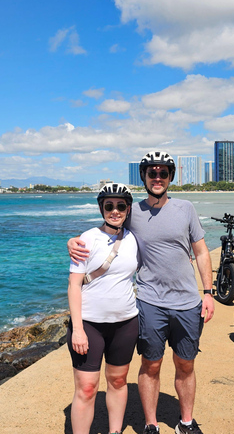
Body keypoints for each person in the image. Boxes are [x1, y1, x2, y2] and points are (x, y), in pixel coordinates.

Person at [69, 151, 215, 434]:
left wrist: (208, 292)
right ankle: (150, 424)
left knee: (186, 364)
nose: (157, 178)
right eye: (152, 173)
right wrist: (72, 242)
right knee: (151, 364)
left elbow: (201, 252)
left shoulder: (186, 209)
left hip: (187, 302)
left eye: (163, 173)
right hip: (149, 302)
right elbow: (108, 227)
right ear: (144, 177)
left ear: (170, 177)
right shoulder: (132, 211)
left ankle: (186, 422)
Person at [67, 183, 140, 434]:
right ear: (101, 208)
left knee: (118, 381)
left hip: (126, 323)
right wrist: (77, 329)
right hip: (89, 324)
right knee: (87, 388)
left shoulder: (133, 238)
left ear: (128, 209)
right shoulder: (87, 238)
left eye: (121, 206)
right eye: (109, 206)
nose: (115, 211)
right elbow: (74, 285)